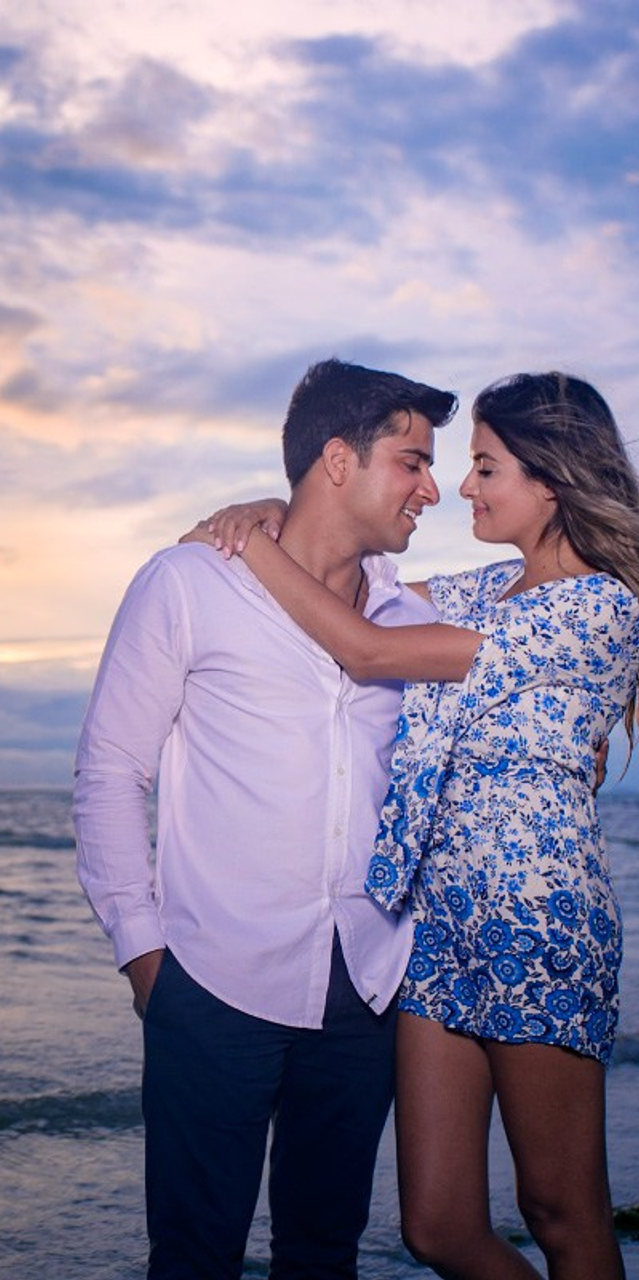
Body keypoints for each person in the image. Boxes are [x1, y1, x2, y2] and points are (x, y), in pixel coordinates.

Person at [184, 371, 639, 1279]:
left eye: (485, 467)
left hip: (536, 921)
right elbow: (355, 571)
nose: (463, 487)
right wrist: (279, 507)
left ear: (550, 481)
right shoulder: (484, 594)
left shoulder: (602, 610)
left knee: (561, 1210)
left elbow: (368, 646)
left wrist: (249, 545)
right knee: (436, 1228)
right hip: (434, 928)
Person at [72, 358, 458, 1279]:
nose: (432, 488)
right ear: (338, 460)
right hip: (210, 981)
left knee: (324, 1257)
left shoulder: (417, 613)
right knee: (195, 1259)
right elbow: (109, 772)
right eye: (411, 462)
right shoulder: (187, 582)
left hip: (366, 987)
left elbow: (552, 589)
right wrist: (146, 961)